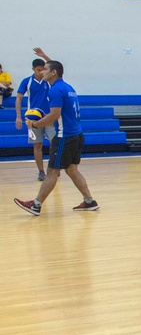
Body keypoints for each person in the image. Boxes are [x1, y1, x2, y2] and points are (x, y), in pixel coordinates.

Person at [14, 60, 99, 216]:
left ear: (53, 72)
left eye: (45, 69)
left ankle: (36, 205)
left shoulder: (55, 90)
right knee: (72, 170)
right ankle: (89, 201)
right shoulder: (68, 87)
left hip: (64, 136)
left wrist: (35, 124)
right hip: (77, 134)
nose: (42, 72)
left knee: (52, 171)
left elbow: (55, 115)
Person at [14, 58, 52, 181]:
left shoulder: (49, 80)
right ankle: (41, 171)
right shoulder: (27, 81)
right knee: (37, 144)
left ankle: (53, 168)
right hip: (33, 118)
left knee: (54, 143)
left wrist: (45, 56)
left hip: (49, 116)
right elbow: (19, 98)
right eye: (38, 70)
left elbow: (56, 67)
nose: (41, 72)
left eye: (43, 69)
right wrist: (19, 116)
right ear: (33, 69)